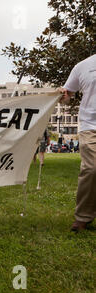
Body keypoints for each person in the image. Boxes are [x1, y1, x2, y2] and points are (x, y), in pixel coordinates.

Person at [59, 54, 95, 232]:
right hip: (90, 126)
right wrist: (63, 96)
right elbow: (67, 96)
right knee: (91, 168)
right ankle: (83, 216)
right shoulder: (83, 66)